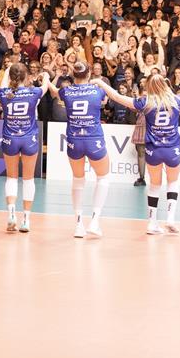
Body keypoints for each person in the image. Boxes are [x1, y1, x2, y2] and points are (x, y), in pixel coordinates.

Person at [97, 60, 180, 235]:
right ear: (165, 85)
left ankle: (152, 223)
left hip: (153, 149)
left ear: (149, 86)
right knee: (173, 182)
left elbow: (117, 97)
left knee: (155, 185)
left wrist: (101, 83)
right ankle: (170, 218)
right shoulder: (176, 100)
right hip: (172, 148)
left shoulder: (145, 102)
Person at [0, 63, 53, 233]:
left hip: (10, 138)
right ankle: (26, 219)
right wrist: (46, 76)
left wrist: (8, 70)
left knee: (11, 178)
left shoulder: (4, 93)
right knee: (28, 179)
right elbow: (45, 86)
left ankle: (11, 213)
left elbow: (3, 85)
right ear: (26, 77)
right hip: (29, 138)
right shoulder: (33, 92)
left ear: (10, 77)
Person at [61, 62, 111, 239]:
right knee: (103, 177)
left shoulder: (66, 91)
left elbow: (54, 91)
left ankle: (78, 224)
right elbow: (106, 99)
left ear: (73, 75)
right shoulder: (97, 90)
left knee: (78, 180)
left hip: (74, 140)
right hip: (93, 139)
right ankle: (95, 221)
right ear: (89, 74)